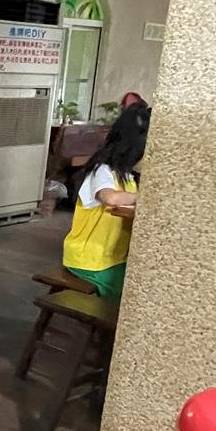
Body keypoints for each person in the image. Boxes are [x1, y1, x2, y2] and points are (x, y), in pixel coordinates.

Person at [63, 100, 151, 301]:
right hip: (90, 258)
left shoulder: (127, 175)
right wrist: (145, 198)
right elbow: (110, 197)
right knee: (129, 295)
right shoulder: (102, 170)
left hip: (112, 257)